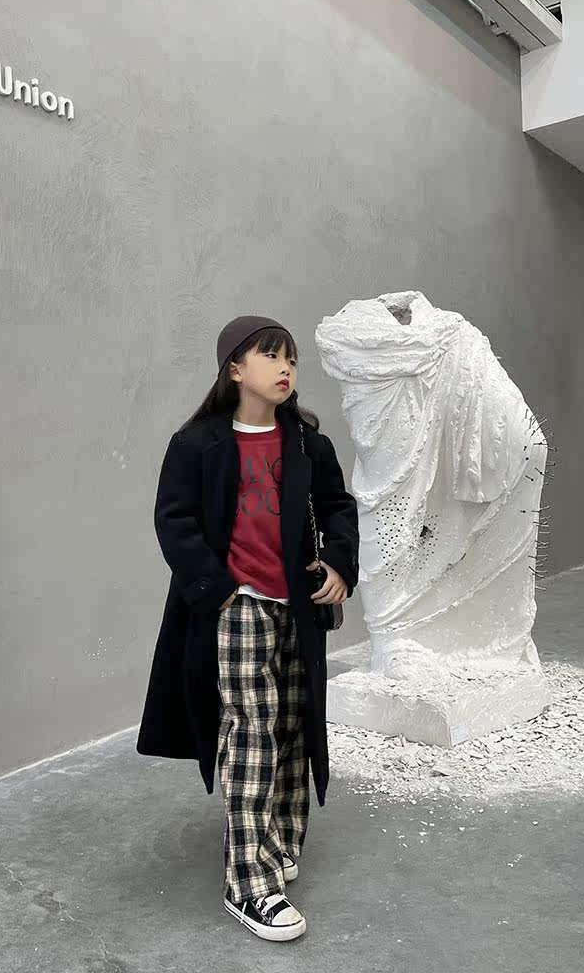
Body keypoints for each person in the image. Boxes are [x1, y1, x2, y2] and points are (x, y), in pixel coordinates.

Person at [136, 315, 359, 942]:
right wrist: (219, 592)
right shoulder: (197, 444)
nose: (285, 368)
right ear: (235, 369)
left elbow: (338, 509)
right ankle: (248, 881)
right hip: (237, 609)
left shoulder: (308, 444)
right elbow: (174, 522)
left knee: (292, 726)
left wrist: (340, 565)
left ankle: (279, 843)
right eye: (270, 356)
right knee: (251, 733)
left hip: (297, 606)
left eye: (291, 358)